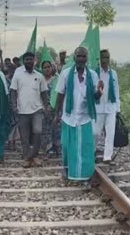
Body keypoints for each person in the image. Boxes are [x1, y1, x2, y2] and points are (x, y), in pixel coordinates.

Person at [54, 47, 99, 181]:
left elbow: (95, 97)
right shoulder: (66, 74)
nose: (81, 59)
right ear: (74, 58)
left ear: (87, 59)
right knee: (67, 147)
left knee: (85, 148)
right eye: (78, 56)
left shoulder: (93, 76)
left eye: (83, 57)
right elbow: (60, 94)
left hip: (85, 117)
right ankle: (67, 170)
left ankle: (83, 175)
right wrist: (57, 114)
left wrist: (99, 93)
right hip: (69, 117)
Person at [10, 52, 49, 168]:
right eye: (26, 60)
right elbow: (13, 91)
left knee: (37, 131)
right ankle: (27, 157)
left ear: (34, 61)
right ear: (23, 61)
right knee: (24, 136)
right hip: (22, 111)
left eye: (30, 59)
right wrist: (14, 105)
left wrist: (46, 107)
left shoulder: (39, 76)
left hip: (37, 110)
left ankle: (35, 156)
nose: (28, 61)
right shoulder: (18, 75)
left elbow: (44, 93)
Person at [93, 49, 121, 164]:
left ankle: (107, 157)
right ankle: (92, 152)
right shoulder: (94, 73)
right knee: (95, 132)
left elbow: (116, 90)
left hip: (111, 107)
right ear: (99, 59)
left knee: (110, 133)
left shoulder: (113, 73)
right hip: (98, 107)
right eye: (103, 57)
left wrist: (118, 108)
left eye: (107, 58)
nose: (105, 60)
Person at [40, 60, 60, 155]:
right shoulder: (40, 80)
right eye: (45, 67)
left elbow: (59, 94)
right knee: (45, 128)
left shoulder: (56, 80)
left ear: (51, 68)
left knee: (55, 127)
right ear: (42, 69)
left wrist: (54, 107)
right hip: (43, 108)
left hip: (55, 107)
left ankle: (56, 147)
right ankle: (48, 148)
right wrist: (44, 107)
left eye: (49, 67)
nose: (47, 69)